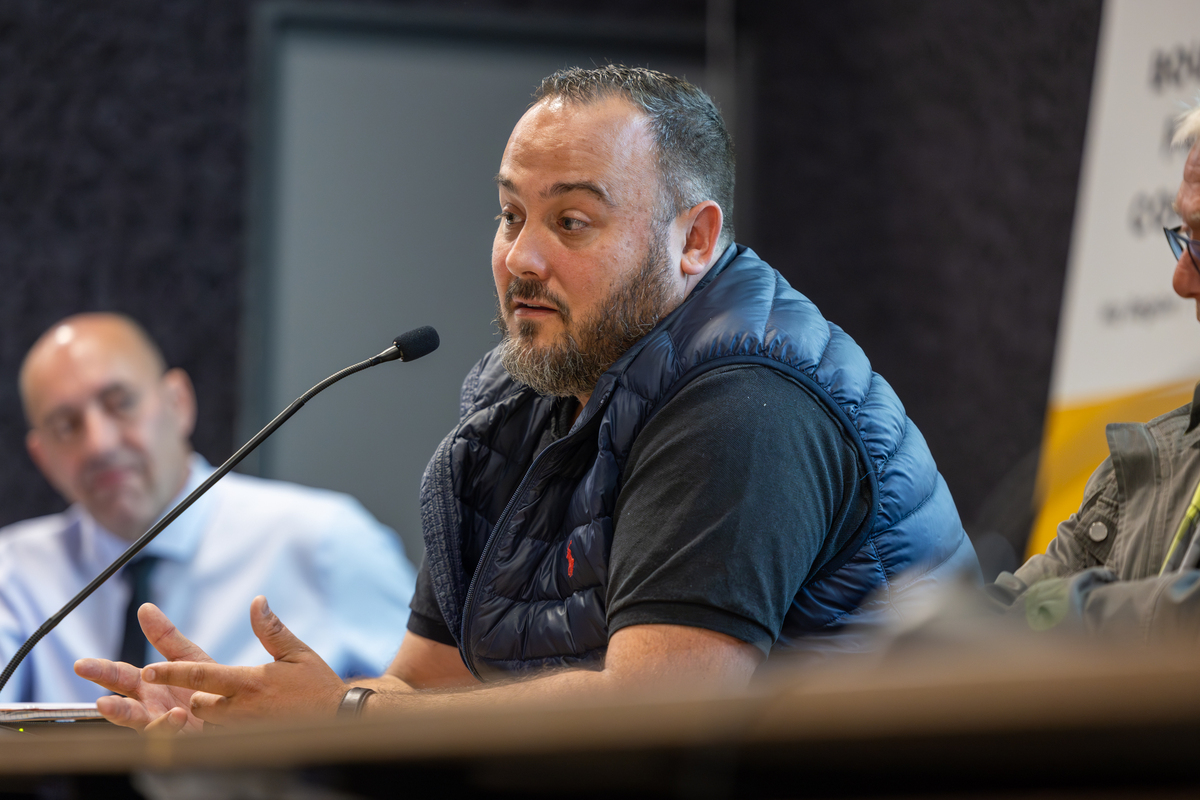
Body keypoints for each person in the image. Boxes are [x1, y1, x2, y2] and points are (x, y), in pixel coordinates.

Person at [77, 66, 978, 732]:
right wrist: (253, 712)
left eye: (571, 221)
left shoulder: (744, 402)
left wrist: (343, 710)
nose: (521, 259)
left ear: (695, 238)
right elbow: (426, 696)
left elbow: (660, 710)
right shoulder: (519, 403)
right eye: (511, 214)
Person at [0, 313, 416, 702]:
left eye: (120, 403)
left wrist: (310, 714)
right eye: (66, 426)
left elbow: (429, 701)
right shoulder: (14, 572)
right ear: (42, 457)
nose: (100, 444)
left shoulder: (325, 538)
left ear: (178, 402)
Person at [986, 103, 1200, 638]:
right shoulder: (1148, 463)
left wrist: (1065, 616)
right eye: (1185, 236)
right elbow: (998, 619)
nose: (1180, 279)